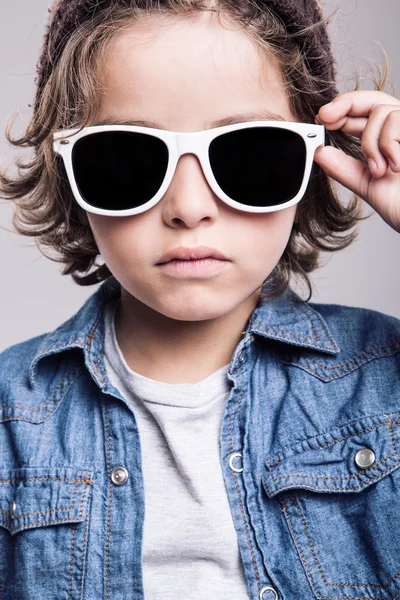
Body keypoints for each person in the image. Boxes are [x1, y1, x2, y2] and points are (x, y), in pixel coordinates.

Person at [0, 0, 399, 598]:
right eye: (128, 157)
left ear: (316, 160)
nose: (190, 208)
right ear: (70, 178)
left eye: (249, 153)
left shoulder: (384, 378)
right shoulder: (10, 418)